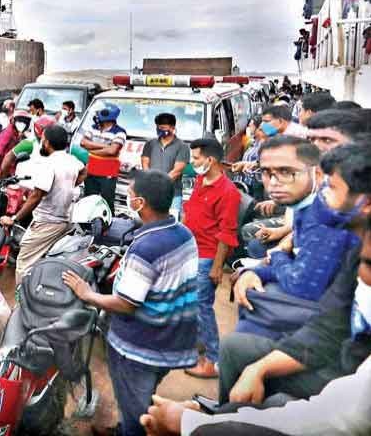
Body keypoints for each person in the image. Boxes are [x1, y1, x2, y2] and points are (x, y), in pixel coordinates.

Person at [140, 218, 371, 436]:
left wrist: (194, 425)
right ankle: (227, 411)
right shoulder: (356, 246)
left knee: (276, 403)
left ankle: (226, 416)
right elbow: (327, 327)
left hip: (340, 374)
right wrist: (257, 369)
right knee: (235, 348)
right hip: (333, 351)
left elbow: (346, 417)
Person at [64, 170, 198, 436]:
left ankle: (131, 429)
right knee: (143, 395)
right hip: (174, 336)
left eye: (131, 196)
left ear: (142, 204)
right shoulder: (183, 233)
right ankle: (129, 425)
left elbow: (126, 303)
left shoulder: (145, 248)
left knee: (134, 405)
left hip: (141, 346)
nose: (128, 199)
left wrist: (87, 294)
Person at [235, 142, 369, 323]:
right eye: (267, 173)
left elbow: (303, 284)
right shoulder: (320, 214)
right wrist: (257, 271)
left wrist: (277, 256)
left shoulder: (332, 225)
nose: (274, 182)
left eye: (286, 172)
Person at [182, 138, 241, 379]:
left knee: (201, 307)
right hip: (192, 250)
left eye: (196, 158)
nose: (192, 162)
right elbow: (191, 214)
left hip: (207, 256)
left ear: (210, 160)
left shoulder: (228, 193)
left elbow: (227, 234)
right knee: (191, 303)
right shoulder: (200, 180)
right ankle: (199, 344)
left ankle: (213, 360)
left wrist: (217, 267)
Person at [1, 125, 85, 281]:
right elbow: (84, 170)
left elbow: (36, 195)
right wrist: (68, 186)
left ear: (46, 142)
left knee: (23, 263)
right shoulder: (72, 160)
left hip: (47, 223)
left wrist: (14, 219)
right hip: (66, 221)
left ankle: (22, 302)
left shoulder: (49, 164)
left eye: (43, 140)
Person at [141, 113, 190, 219]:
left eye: (163, 128)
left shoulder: (182, 147)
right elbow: (145, 164)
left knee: (171, 223)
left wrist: (160, 185)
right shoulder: (150, 144)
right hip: (151, 192)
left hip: (173, 194)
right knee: (150, 221)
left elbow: (177, 171)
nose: (159, 130)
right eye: (158, 127)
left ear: (172, 128)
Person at [80, 103, 127, 213]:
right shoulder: (93, 128)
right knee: (89, 201)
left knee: (107, 203)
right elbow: (83, 142)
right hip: (91, 171)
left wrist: (91, 149)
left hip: (107, 173)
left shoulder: (120, 132)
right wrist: (105, 146)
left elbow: (112, 150)